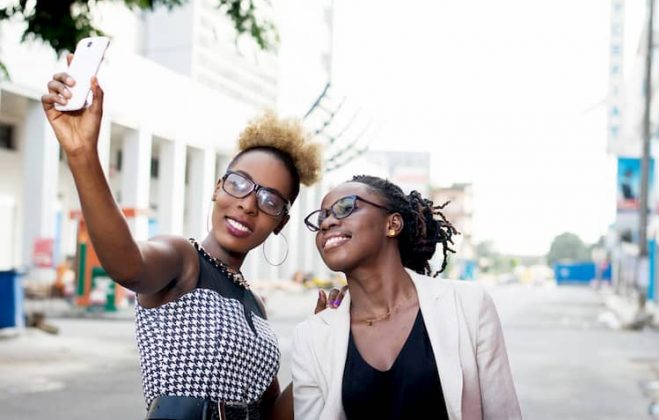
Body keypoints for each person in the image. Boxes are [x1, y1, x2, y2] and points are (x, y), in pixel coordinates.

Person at [41, 60, 330, 420]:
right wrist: (82, 154)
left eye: (270, 200)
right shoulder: (182, 260)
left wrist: (322, 343)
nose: (247, 204)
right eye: (238, 183)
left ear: (280, 222)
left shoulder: (255, 305)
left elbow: (272, 415)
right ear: (217, 188)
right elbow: (127, 265)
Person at [292, 175, 522, 420]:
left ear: (392, 224)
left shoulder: (468, 305)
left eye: (345, 207)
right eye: (322, 217)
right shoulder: (312, 335)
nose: (327, 222)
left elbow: (502, 412)